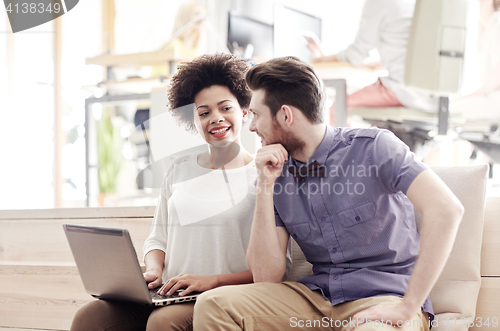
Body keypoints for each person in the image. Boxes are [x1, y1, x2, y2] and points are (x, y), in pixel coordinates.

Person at [192, 56, 464, 331]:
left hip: (385, 298)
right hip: (317, 299)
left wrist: (409, 306)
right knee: (213, 305)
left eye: (257, 115)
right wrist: (264, 184)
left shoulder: (374, 148)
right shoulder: (276, 174)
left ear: (286, 115)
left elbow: (447, 209)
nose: (251, 127)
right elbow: (266, 277)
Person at [70, 53, 258, 331]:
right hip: (171, 294)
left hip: (222, 294)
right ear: (193, 122)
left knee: (163, 323)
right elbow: (157, 239)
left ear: (244, 111)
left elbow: (275, 267)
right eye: (203, 113)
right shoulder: (179, 169)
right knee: (90, 318)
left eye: (225, 108)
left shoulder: (263, 175)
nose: (215, 118)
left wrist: (212, 280)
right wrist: (154, 271)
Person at [312, 0, 438, 125]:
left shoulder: (379, 2)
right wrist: (367, 66)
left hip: (404, 92)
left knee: (337, 108)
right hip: (434, 98)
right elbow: (404, 55)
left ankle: (347, 146)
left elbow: (356, 54)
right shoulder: (412, 5)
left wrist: (319, 60)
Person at [451, 0, 500, 122]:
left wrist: (456, 96)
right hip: (469, 91)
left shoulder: (496, 23)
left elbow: (491, 81)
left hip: (486, 94)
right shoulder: (468, 19)